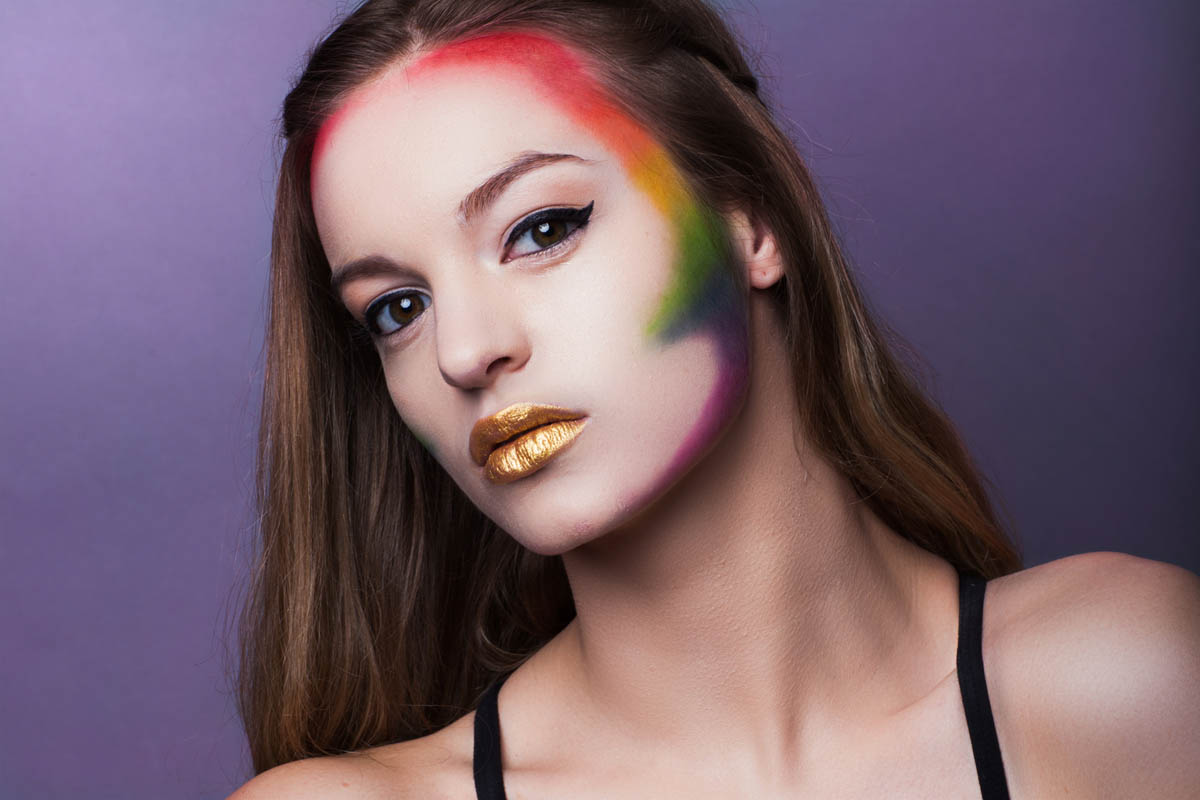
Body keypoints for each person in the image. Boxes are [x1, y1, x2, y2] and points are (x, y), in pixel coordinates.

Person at [230, 1, 1200, 797]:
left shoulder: (1137, 682)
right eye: (398, 308)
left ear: (751, 219)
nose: (466, 352)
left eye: (542, 228)